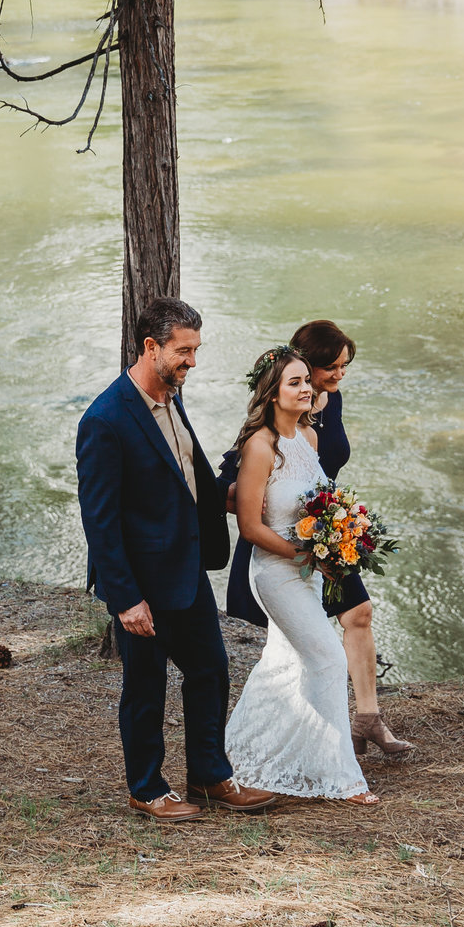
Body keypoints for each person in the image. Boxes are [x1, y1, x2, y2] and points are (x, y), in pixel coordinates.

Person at [76, 298, 278, 823]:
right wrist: (125, 599)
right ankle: (146, 788)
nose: (193, 362)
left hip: (185, 574)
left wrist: (230, 494)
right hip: (142, 585)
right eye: (183, 351)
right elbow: (101, 522)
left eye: (195, 350)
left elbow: (180, 478)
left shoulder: (171, 397)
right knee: (145, 688)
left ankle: (209, 776)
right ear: (151, 347)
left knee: (210, 670)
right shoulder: (104, 420)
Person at [220, 319, 414, 759]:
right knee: (297, 655)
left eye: (344, 367)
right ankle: (291, 742)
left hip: (328, 542)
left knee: (358, 614)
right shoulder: (274, 423)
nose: (338, 376)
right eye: (331, 368)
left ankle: (365, 719)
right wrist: (279, 514)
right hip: (286, 546)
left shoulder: (328, 402)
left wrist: (337, 523)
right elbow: (230, 486)